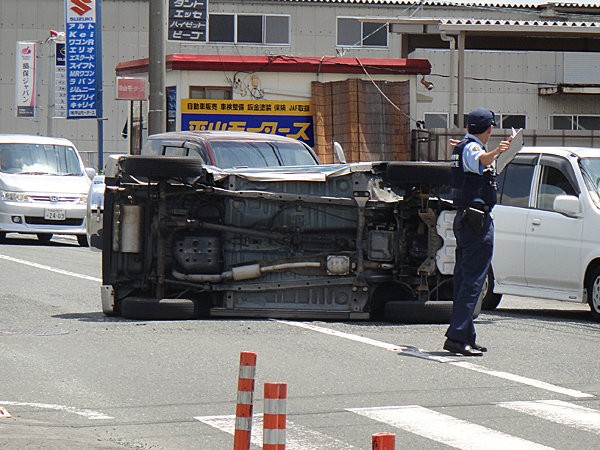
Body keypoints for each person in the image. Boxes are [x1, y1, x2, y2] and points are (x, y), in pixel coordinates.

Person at [443, 107, 511, 356]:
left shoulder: (463, 146)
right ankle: (458, 337)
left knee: (464, 278)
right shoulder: (473, 149)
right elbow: (480, 160)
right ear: (489, 129)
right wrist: (497, 152)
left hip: (466, 218)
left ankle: (466, 335)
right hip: (476, 220)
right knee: (473, 281)